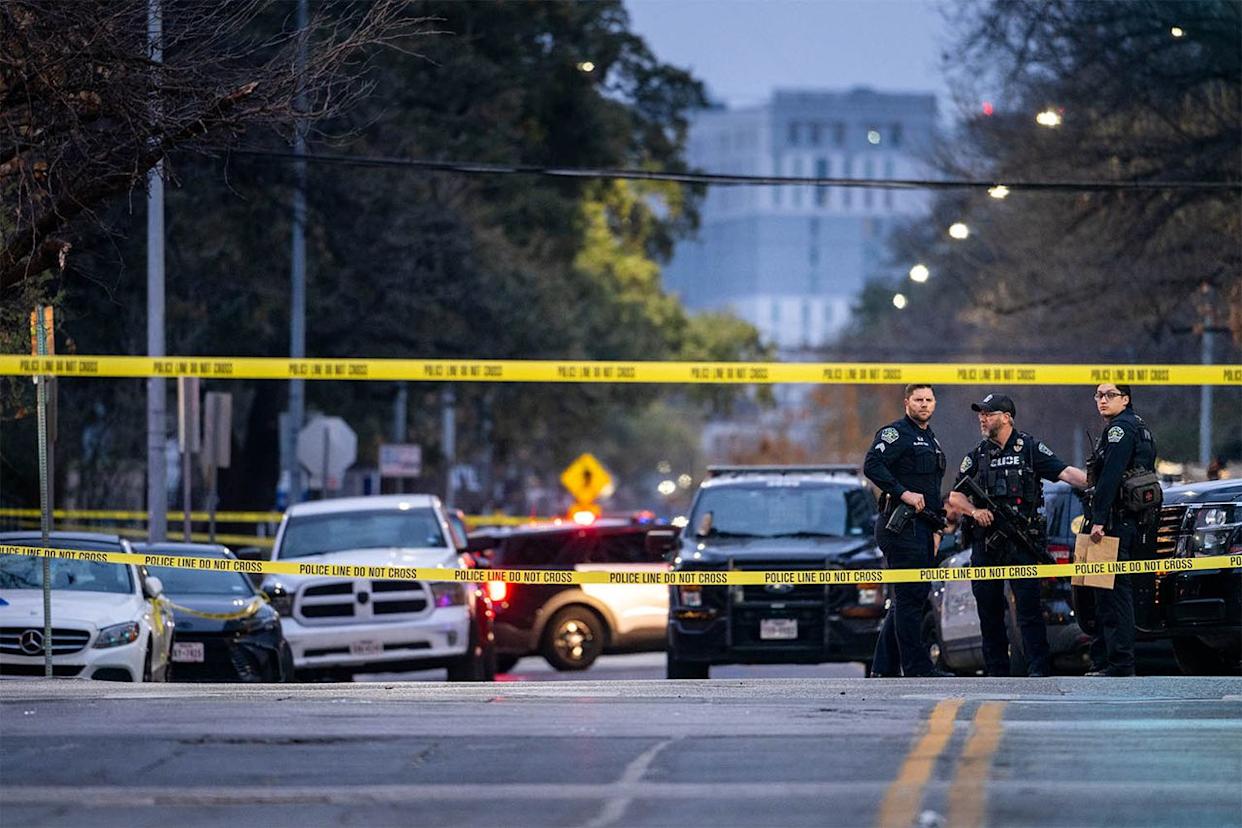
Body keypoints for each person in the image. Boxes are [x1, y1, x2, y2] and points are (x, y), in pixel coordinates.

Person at [948, 393, 1088, 677]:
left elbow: (1065, 473)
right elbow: (955, 496)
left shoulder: (1029, 448)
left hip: (1022, 542)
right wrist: (974, 512)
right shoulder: (977, 455)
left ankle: (1039, 669)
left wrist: (1100, 482)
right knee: (989, 611)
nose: (982, 418)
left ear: (1007, 417)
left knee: (1029, 610)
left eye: (988, 413)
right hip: (987, 543)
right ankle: (997, 672)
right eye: (981, 414)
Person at [863, 383, 948, 678]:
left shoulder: (930, 438)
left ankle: (883, 668)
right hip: (900, 527)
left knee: (907, 599)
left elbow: (932, 489)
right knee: (910, 599)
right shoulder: (896, 433)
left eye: (928, 400)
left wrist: (938, 529)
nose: (924, 404)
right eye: (918, 399)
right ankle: (917, 667)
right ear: (906, 403)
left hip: (923, 529)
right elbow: (872, 465)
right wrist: (903, 493)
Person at [1082, 383, 1158, 677]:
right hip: (1129, 520)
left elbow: (1110, 477)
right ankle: (1106, 660)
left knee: (1110, 594)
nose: (1102, 400)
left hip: (1111, 522)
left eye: (1110, 395)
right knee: (1105, 591)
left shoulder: (1118, 430)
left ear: (1125, 399)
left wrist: (1098, 519)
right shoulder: (1140, 427)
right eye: (1098, 396)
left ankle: (1118, 662)